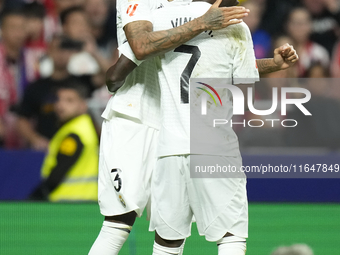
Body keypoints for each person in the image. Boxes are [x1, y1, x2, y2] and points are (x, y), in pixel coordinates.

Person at [112, 1, 298, 255]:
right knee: (231, 236)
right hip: (214, 145)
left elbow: (127, 63)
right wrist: (274, 65)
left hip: (168, 149)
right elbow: (239, 78)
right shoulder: (235, 24)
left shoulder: (158, 20)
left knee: (167, 244)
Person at [88, 1, 251, 254]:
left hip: (172, 122)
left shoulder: (185, 7)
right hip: (134, 115)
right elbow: (140, 48)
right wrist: (203, 22)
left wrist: (270, 63)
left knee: (171, 236)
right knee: (118, 223)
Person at [16, 35, 103, 151]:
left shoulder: (82, 82)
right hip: (47, 149)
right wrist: (35, 140)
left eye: (65, 49)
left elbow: (110, 78)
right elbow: (22, 118)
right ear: (48, 51)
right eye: (57, 48)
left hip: (80, 146)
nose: (61, 54)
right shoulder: (36, 87)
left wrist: (93, 52)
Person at [29, 82, 98, 202]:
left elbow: (57, 174)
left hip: (70, 202)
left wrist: (37, 196)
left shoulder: (75, 134)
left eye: (69, 101)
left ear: (83, 106)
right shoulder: (83, 127)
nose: (60, 105)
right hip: (83, 200)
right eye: (58, 100)